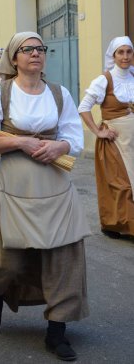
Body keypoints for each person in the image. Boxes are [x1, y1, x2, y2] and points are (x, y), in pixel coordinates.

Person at [0, 31, 91, 362]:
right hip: (14, 183)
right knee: (9, 256)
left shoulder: (59, 92)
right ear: (14, 58)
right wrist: (20, 142)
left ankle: (57, 332)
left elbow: (73, 135)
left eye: (40, 48)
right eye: (28, 49)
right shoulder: (0, 92)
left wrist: (60, 146)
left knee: (64, 255)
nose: (36, 54)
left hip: (54, 182)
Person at [78, 36, 134, 240]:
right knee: (121, 184)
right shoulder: (104, 79)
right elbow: (83, 108)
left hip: (133, 141)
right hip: (115, 142)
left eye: (129, 52)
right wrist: (98, 131)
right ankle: (115, 223)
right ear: (113, 55)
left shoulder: (133, 76)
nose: (125, 56)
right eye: (121, 52)